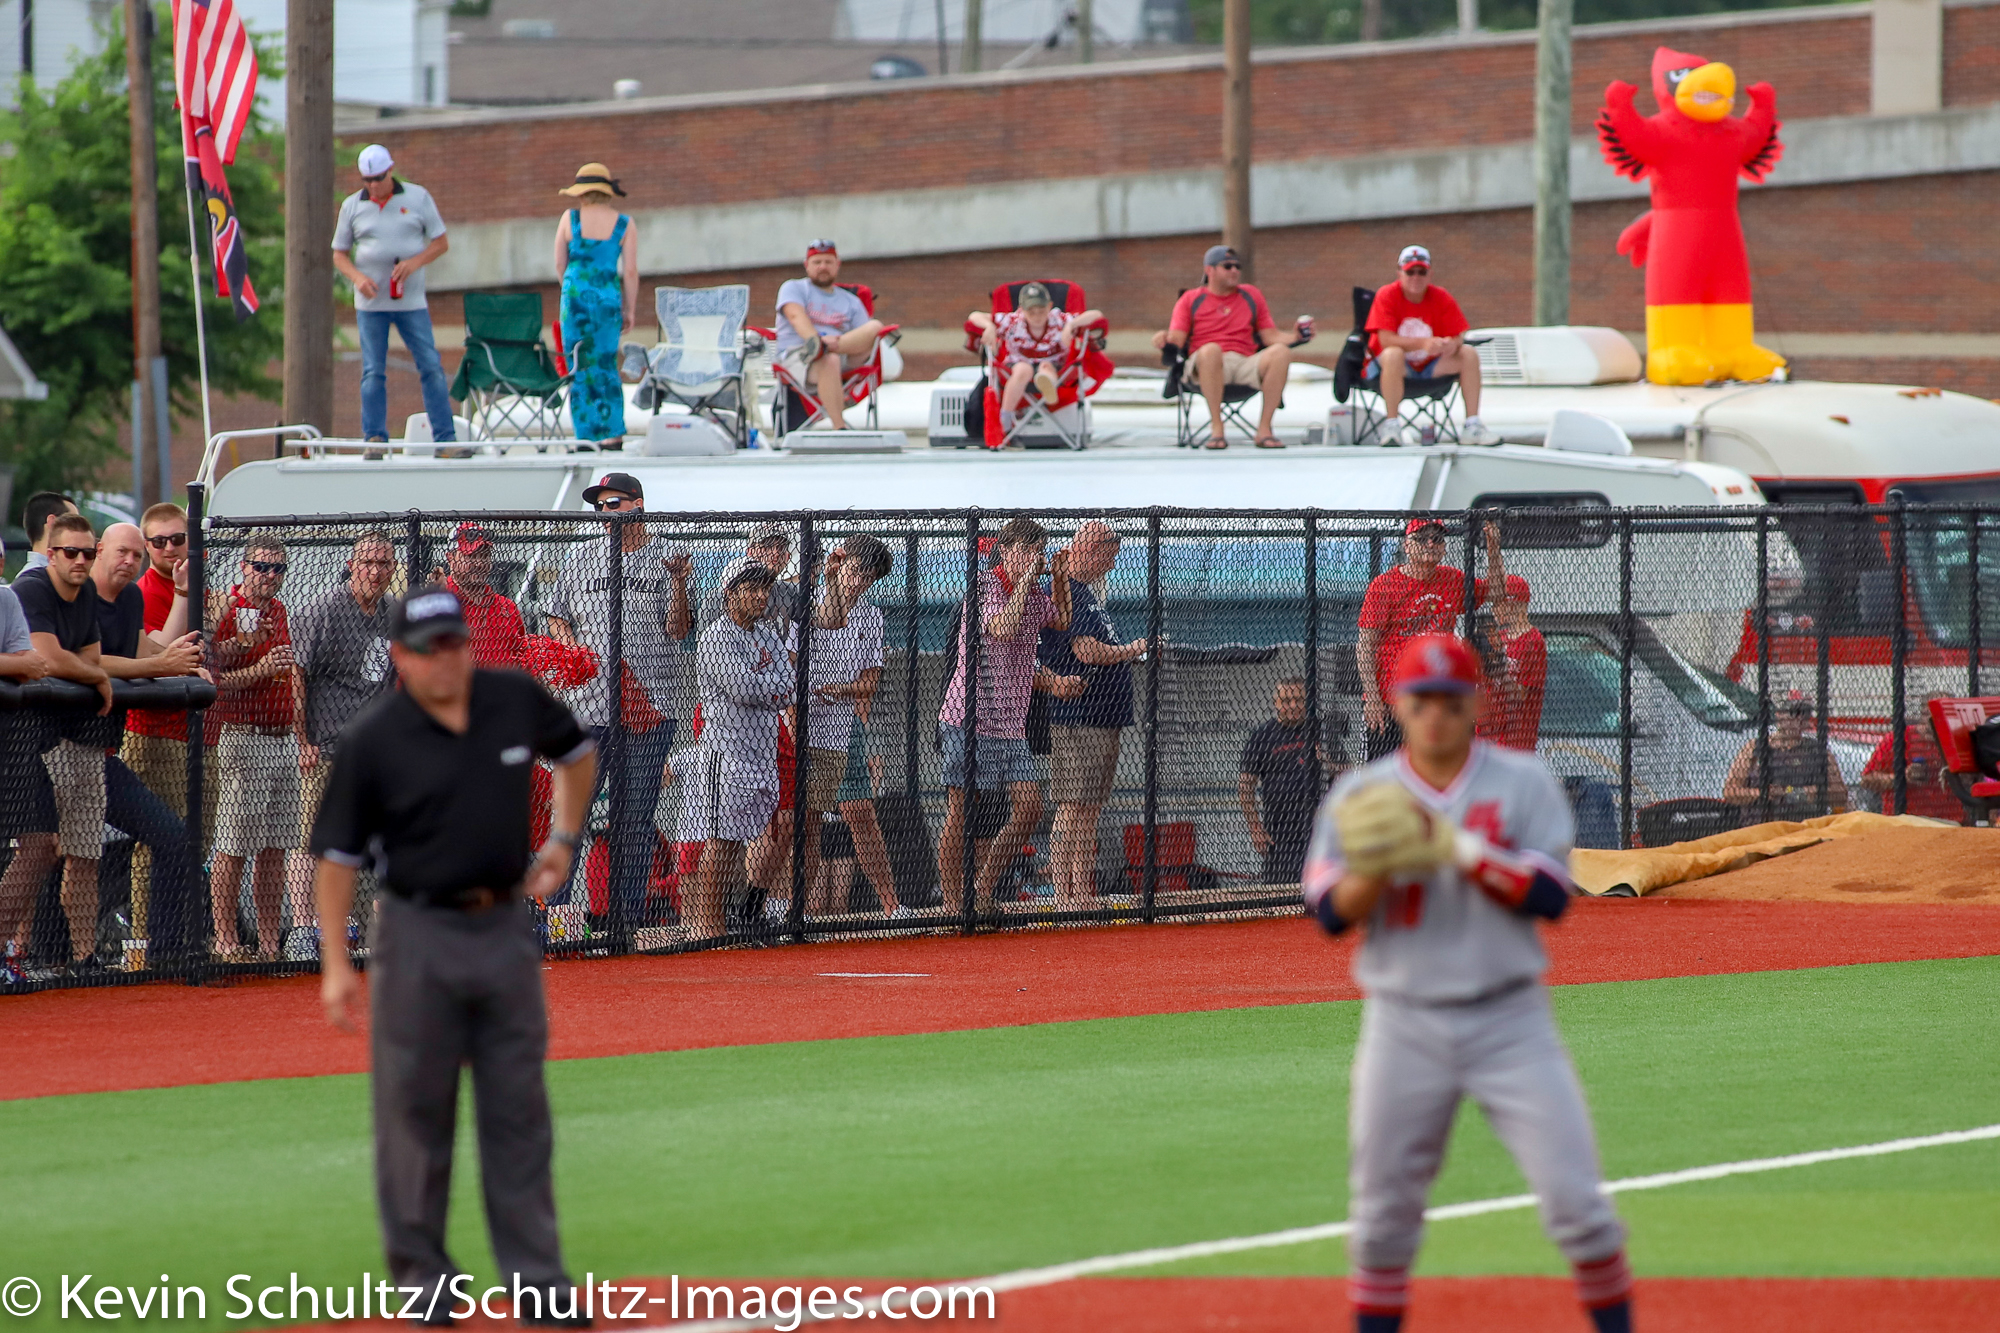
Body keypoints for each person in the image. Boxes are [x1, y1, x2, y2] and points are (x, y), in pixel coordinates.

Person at [1302, 635, 1632, 1333]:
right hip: (1403, 1023)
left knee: (1579, 1206)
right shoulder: (1362, 794)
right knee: (1381, 1223)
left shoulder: (1522, 781)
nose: (1436, 716)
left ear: (1476, 703)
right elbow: (1330, 912)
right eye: (1422, 701)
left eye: (1451, 701)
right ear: (1397, 704)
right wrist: (1378, 867)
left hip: (1510, 1020)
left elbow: (1551, 896)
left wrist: (1458, 848)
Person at [312, 584, 597, 1327]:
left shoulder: (511, 698)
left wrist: (564, 840)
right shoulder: (374, 737)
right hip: (415, 931)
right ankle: (425, 1283)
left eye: (456, 643)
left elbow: (577, 753)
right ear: (401, 658)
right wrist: (336, 963)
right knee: (415, 1113)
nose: (447, 658)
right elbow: (336, 856)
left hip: (503, 926)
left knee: (519, 1110)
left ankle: (538, 1282)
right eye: (430, 648)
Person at [547, 472, 693, 937]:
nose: (604, 513)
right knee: (573, 813)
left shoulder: (666, 557)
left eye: (613, 504)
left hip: (650, 710)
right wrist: (571, 651)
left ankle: (625, 921)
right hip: (588, 709)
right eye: (600, 506)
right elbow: (556, 617)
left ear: (638, 505)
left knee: (634, 819)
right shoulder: (579, 555)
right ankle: (557, 918)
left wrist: (678, 583)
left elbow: (678, 630)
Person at [81, 524, 206, 966]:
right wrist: (162, 663)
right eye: (123, 552)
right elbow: (89, 661)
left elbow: (147, 653)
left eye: (136, 555)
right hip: (58, 748)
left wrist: (182, 664)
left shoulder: (130, 598)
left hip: (103, 755)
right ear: (100, 551)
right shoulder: (78, 597)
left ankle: (165, 952)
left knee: (173, 838)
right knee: (53, 854)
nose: (130, 561)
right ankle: (51, 957)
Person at [936, 518, 1074, 913]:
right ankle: (952, 903)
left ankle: (981, 889)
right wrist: (1028, 578)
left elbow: (1062, 620)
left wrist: (1059, 578)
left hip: (1011, 725)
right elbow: (1005, 629)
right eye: (1026, 550)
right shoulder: (986, 586)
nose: (1034, 557)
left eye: (1038, 551)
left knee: (1030, 808)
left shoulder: (1034, 594)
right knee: (962, 810)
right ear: (1007, 550)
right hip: (969, 718)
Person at [10, 515, 116, 969]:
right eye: (70, 552)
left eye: (88, 553)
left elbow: (89, 655)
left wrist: (89, 670)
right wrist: (96, 677)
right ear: (50, 554)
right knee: (38, 850)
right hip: (35, 740)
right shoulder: (31, 589)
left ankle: (85, 956)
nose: (80, 561)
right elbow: (48, 658)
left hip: (84, 738)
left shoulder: (86, 590)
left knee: (85, 852)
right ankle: (16, 951)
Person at [789, 535, 905, 919]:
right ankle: (799, 909)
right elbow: (789, 662)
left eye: (868, 578)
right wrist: (800, 706)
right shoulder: (804, 601)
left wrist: (841, 690)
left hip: (843, 725)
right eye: (855, 571)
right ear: (839, 564)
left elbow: (869, 682)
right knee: (805, 819)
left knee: (860, 812)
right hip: (800, 721)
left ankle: (891, 905)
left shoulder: (870, 616)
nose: (859, 583)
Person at [1038, 522, 1147, 908]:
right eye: (1109, 555)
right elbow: (1085, 651)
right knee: (1072, 804)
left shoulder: (1088, 592)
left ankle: (1082, 892)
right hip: (1078, 715)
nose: (1112, 563)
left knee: (1089, 808)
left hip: (1102, 715)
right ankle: (1064, 893)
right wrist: (1134, 648)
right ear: (1093, 549)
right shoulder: (1067, 590)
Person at [682, 562, 793, 938]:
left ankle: (722, 923)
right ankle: (707, 928)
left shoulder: (767, 635)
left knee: (740, 842)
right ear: (730, 594)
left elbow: (788, 688)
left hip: (761, 755)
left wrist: (763, 686)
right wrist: (768, 685)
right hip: (725, 756)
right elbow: (742, 689)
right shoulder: (716, 636)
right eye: (751, 589)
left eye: (765, 589)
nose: (761, 596)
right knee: (721, 841)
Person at [208, 534, 302, 960]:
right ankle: (226, 939)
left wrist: (299, 732)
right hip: (243, 735)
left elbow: (288, 673)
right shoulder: (226, 608)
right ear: (244, 567)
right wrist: (260, 668)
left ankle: (268, 943)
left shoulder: (278, 610)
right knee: (233, 844)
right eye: (261, 567)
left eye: (278, 568)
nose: (269, 575)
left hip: (281, 737)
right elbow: (213, 680)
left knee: (275, 847)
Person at [332, 144, 455, 446]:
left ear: (391, 171)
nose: (374, 186)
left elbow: (440, 243)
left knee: (431, 366)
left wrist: (415, 262)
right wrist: (358, 278)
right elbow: (339, 254)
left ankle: (445, 439)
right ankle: (374, 437)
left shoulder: (417, 197)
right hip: (371, 304)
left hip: (411, 302)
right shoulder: (352, 206)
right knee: (373, 370)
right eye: (367, 180)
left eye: (379, 178)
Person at [120, 503, 203, 946]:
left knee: (194, 840)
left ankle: (181, 938)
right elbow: (159, 657)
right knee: (154, 841)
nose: (169, 548)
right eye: (158, 542)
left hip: (197, 732)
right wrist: (184, 594)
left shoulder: (203, 582)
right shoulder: (145, 591)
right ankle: (144, 942)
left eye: (177, 539)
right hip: (152, 731)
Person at [1358, 518, 1504, 761]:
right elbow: (1365, 645)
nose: (1430, 544)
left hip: (1439, 700)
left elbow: (1497, 593)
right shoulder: (1384, 586)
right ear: (1406, 545)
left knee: (1441, 769)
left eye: (1437, 539)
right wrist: (1372, 698)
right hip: (1393, 702)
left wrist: (1493, 547)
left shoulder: (1452, 579)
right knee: (1389, 774)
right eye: (1421, 538)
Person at [1152, 244, 1312, 450]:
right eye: (1227, 266)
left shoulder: (1251, 295)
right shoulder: (1190, 299)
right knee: (1211, 350)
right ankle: (1217, 429)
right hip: (1206, 365)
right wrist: (1162, 339)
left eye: (1238, 266)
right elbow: (1176, 340)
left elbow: (1271, 336)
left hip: (1245, 363)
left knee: (1281, 352)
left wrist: (1296, 336)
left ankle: (1265, 430)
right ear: (1209, 270)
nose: (1235, 270)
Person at [1365, 245, 1499, 447]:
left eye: (1421, 272)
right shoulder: (1387, 294)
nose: (1416, 277)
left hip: (1430, 367)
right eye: (1410, 272)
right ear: (1399, 273)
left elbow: (1458, 336)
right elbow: (1386, 340)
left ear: (1430, 274)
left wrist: (1451, 345)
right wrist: (1423, 343)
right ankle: (1392, 426)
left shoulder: (1441, 296)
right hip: (1392, 369)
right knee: (1393, 353)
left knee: (1468, 353)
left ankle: (1472, 425)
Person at [552, 164, 639, 449]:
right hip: (607, 300)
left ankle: (585, 435)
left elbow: (559, 264)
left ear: (581, 193)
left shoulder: (570, 218)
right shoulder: (624, 223)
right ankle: (612, 434)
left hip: (575, 298)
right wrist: (630, 309)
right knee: (606, 364)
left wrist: (572, 289)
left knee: (578, 365)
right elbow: (630, 272)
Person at [0, 577, 56, 982]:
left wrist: (18, 664)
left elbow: (33, 663)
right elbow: (22, 663)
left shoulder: (5, 598)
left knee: (41, 844)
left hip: (12, 738)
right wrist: (15, 665)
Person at [967, 282, 1104, 445]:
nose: (1037, 316)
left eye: (1041, 311)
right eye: (1031, 312)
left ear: (1050, 306)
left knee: (1046, 368)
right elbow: (974, 316)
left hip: (1053, 365)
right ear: (1022, 310)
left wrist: (1072, 325)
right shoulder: (1012, 321)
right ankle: (1005, 419)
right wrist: (989, 326)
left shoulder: (1060, 319)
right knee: (1023, 370)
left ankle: (1048, 387)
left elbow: (1096, 315)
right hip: (1018, 364)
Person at [773, 239, 886, 430]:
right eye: (817, 262)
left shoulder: (851, 301)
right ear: (807, 265)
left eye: (828, 262)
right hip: (799, 356)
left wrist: (831, 345)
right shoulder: (794, 288)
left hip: (843, 355)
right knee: (829, 360)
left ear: (837, 265)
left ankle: (824, 347)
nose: (823, 267)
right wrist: (815, 340)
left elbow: (864, 337)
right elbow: (794, 315)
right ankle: (839, 427)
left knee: (875, 327)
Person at [1238, 678, 1339, 886]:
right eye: (1286, 701)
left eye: (1299, 700)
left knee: (1319, 888)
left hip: (1317, 828)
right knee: (1279, 893)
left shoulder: (1320, 730)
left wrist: (1326, 761)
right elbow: (1245, 785)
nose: (1293, 705)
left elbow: (1346, 774)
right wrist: (1255, 828)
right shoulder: (1262, 736)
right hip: (1278, 834)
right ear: (1275, 703)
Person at [1722, 694, 1848, 823]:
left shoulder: (1818, 751)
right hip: (1761, 826)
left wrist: (1796, 792)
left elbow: (1841, 794)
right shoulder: (1755, 748)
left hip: (1804, 826)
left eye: (1804, 715)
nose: (1798, 720)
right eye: (1794, 713)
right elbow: (1730, 792)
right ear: (1779, 715)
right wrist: (1762, 793)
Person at [1474, 575, 1547, 752]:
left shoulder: (1533, 640)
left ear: (1512, 604)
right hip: (1487, 735)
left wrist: (1499, 667)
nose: (1494, 610)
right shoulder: (1499, 637)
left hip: (1514, 740)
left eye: (1497, 603)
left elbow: (1520, 694)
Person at [1858, 696, 1957, 821]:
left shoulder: (1957, 739)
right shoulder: (1899, 739)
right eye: (1933, 714)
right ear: (1924, 714)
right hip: (1905, 819)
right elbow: (1867, 780)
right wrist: (1902, 778)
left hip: (1950, 819)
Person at [442, 523, 527, 668]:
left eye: (485, 555)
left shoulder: (507, 608)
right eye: (470, 556)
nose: (479, 563)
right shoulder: (439, 606)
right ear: (450, 558)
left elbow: (524, 661)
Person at [19, 491, 78, 572]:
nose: (80, 529)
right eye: (74, 522)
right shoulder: (35, 576)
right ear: (53, 523)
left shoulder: (37, 573)